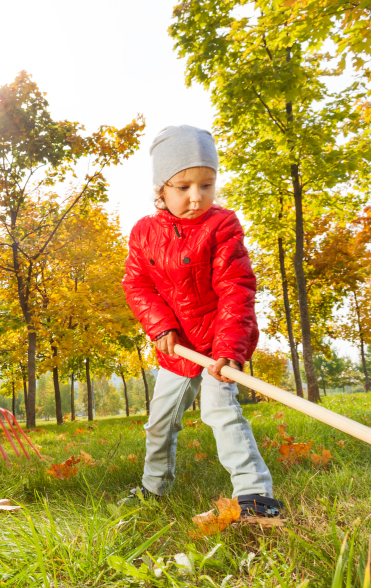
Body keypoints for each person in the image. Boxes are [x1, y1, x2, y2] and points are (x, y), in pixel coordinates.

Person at [118, 125, 282, 518]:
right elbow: (137, 284)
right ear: (161, 188)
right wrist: (160, 327)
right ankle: (153, 489)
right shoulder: (143, 233)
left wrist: (228, 351)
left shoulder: (222, 227)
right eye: (183, 186)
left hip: (216, 344)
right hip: (177, 348)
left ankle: (255, 497)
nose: (196, 197)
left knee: (221, 413)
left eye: (206, 185)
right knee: (160, 423)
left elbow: (236, 290)